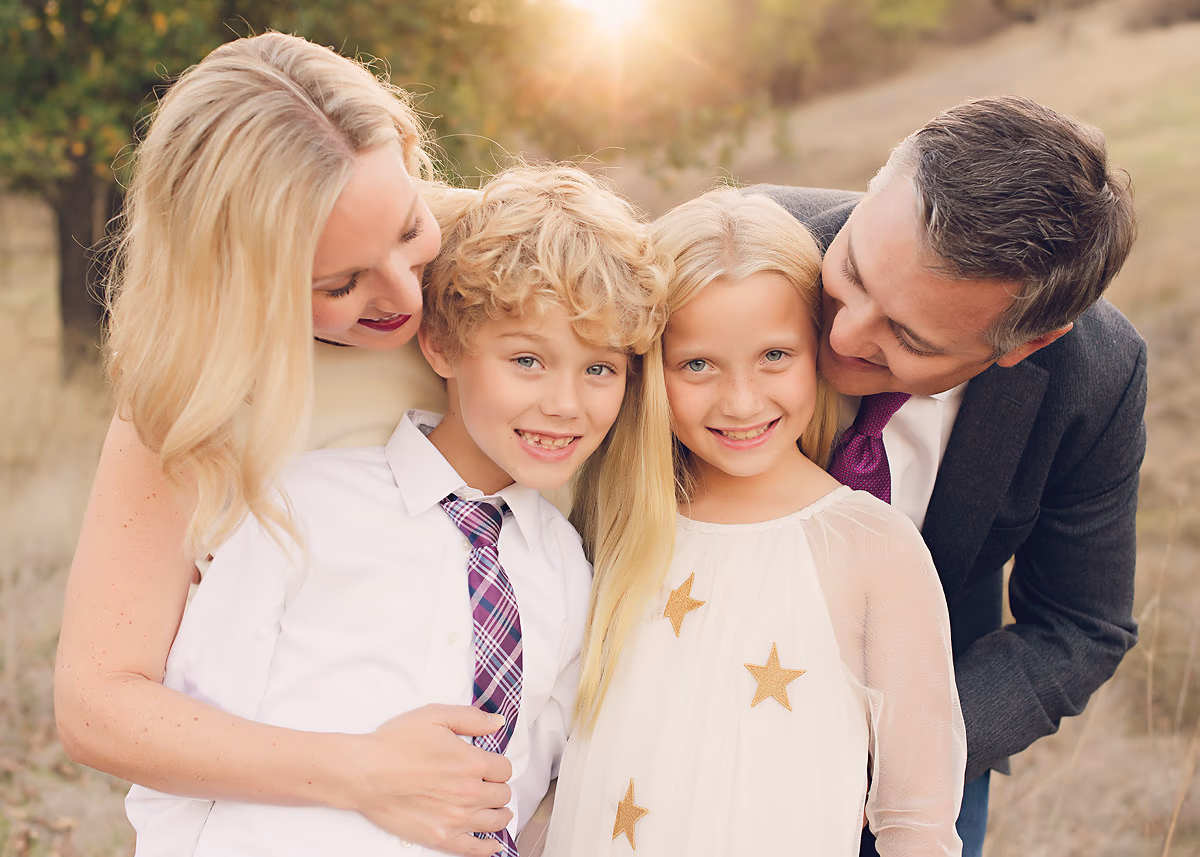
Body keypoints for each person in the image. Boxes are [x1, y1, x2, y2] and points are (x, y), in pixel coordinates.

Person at [123, 163, 670, 856]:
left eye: (599, 369)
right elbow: (187, 740)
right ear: (442, 344)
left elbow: (522, 789)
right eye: (527, 360)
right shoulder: (300, 507)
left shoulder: (567, 570)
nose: (565, 403)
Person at [53, 32, 509, 856]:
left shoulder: (509, 263)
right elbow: (98, 703)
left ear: (409, 155)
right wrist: (362, 772)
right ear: (235, 275)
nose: (405, 294)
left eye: (409, 228)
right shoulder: (191, 391)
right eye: (338, 284)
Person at [745, 95, 1144, 857]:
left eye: (908, 335)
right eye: (854, 270)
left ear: (1026, 344)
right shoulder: (735, 250)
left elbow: (1079, 625)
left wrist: (913, 746)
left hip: (920, 757)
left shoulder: (1094, 376)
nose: (844, 330)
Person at [537, 189, 966, 856]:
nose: (740, 401)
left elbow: (917, 823)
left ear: (818, 352)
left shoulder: (873, 549)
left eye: (774, 356)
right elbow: (568, 776)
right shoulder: (612, 520)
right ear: (653, 369)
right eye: (698, 364)